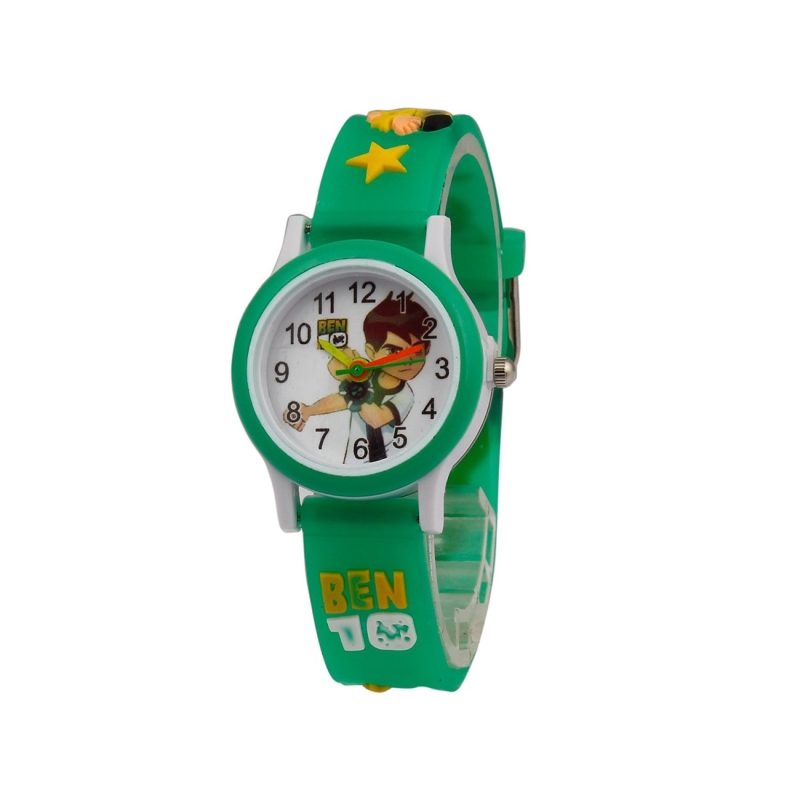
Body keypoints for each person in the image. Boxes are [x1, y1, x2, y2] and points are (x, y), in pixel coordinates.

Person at [284, 292, 431, 462]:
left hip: (392, 462)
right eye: (393, 351)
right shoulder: (368, 377)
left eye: (417, 351)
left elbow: (376, 419)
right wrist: (308, 410)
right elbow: (341, 399)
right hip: (354, 461)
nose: (407, 360)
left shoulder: (404, 395)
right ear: (371, 352)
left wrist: (352, 382)